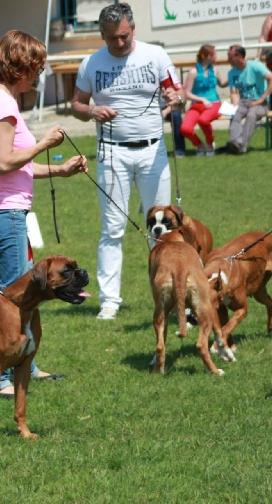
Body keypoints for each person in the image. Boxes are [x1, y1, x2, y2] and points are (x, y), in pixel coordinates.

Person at [0, 30, 87, 397]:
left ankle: (27, 365)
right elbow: (5, 162)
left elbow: (13, 166)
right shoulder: (2, 105)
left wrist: (59, 170)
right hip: (2, 213)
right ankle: (0, 378)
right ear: (18, 67)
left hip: (8, 210)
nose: (40, 74)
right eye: (36, 67)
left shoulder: (1, 101)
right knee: (13, 301)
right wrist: (43, 144)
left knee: (27, 296)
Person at [71, 2, 181, 320]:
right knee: (112, 228)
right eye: (111, 39)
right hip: (112, 152)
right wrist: (92, 110)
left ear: (133, 29)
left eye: (123, 37)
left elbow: (175, 92)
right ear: (102, 35)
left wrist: (176, 98)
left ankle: (171, 297)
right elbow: (76, 104)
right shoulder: (90, 63)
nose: (118, 44)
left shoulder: (155, 55)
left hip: (153, 150)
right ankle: (109, 300)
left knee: (163, 228)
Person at [225, 44, 272, 154]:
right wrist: (235, 104)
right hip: (243, 102)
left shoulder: (255, 66)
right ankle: (235, 142)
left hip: (261, 102)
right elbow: (233, 93)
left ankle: (240, 145)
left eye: (230, 57)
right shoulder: (231, 73)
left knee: (251, 115)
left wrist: (262, 98)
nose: (228, 60)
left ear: (239, 56)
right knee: (234, 114)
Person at [181, 44, 227, 156]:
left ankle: (210, 144)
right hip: (197, 104)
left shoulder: (215, 70)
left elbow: (221, 84)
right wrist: (201, 99)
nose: (216, 57)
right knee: (185, 129)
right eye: (214, 54)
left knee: (203, 120)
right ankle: (199, 145)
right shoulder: (193, 72)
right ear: (207, 56)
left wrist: (233, 78)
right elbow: (187, 93)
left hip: (214, 104)